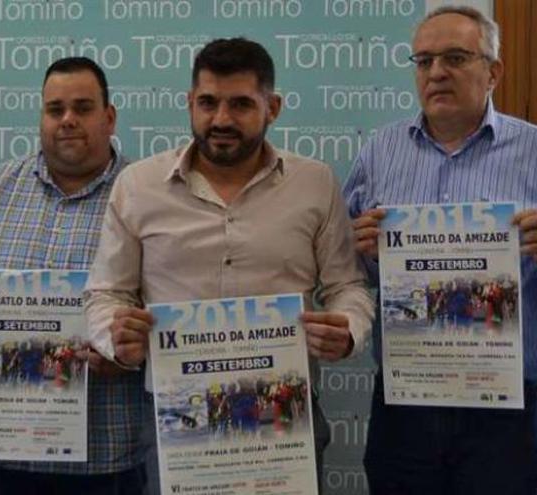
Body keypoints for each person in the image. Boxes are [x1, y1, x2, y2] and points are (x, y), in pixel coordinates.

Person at [343, 6, 537, 494]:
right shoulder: (379, 152)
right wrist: (363, 250)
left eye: (455, 58)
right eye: (423, 61)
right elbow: (349, 267)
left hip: (502, 404)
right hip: (407, 399)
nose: (436, 72)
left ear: (494, 72)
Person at [84, 37, 374, 487]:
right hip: (176, 420)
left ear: (272, 107)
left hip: (283, 415)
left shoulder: (315, 183)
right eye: (208, 103)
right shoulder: (138, 186)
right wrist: (113, 336)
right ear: (189, 103)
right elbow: (106, 293)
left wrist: (348, 328)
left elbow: (347, 286)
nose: (221, 119)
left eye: (240, 104)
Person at [0, 57, 155, 494]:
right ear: (41, 116)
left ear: (109, 117)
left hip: (102, 464)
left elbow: (170, 306)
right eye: (55, 109)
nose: (68, 120)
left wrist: (132, 347)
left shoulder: (150, 198)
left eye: (83, 108)